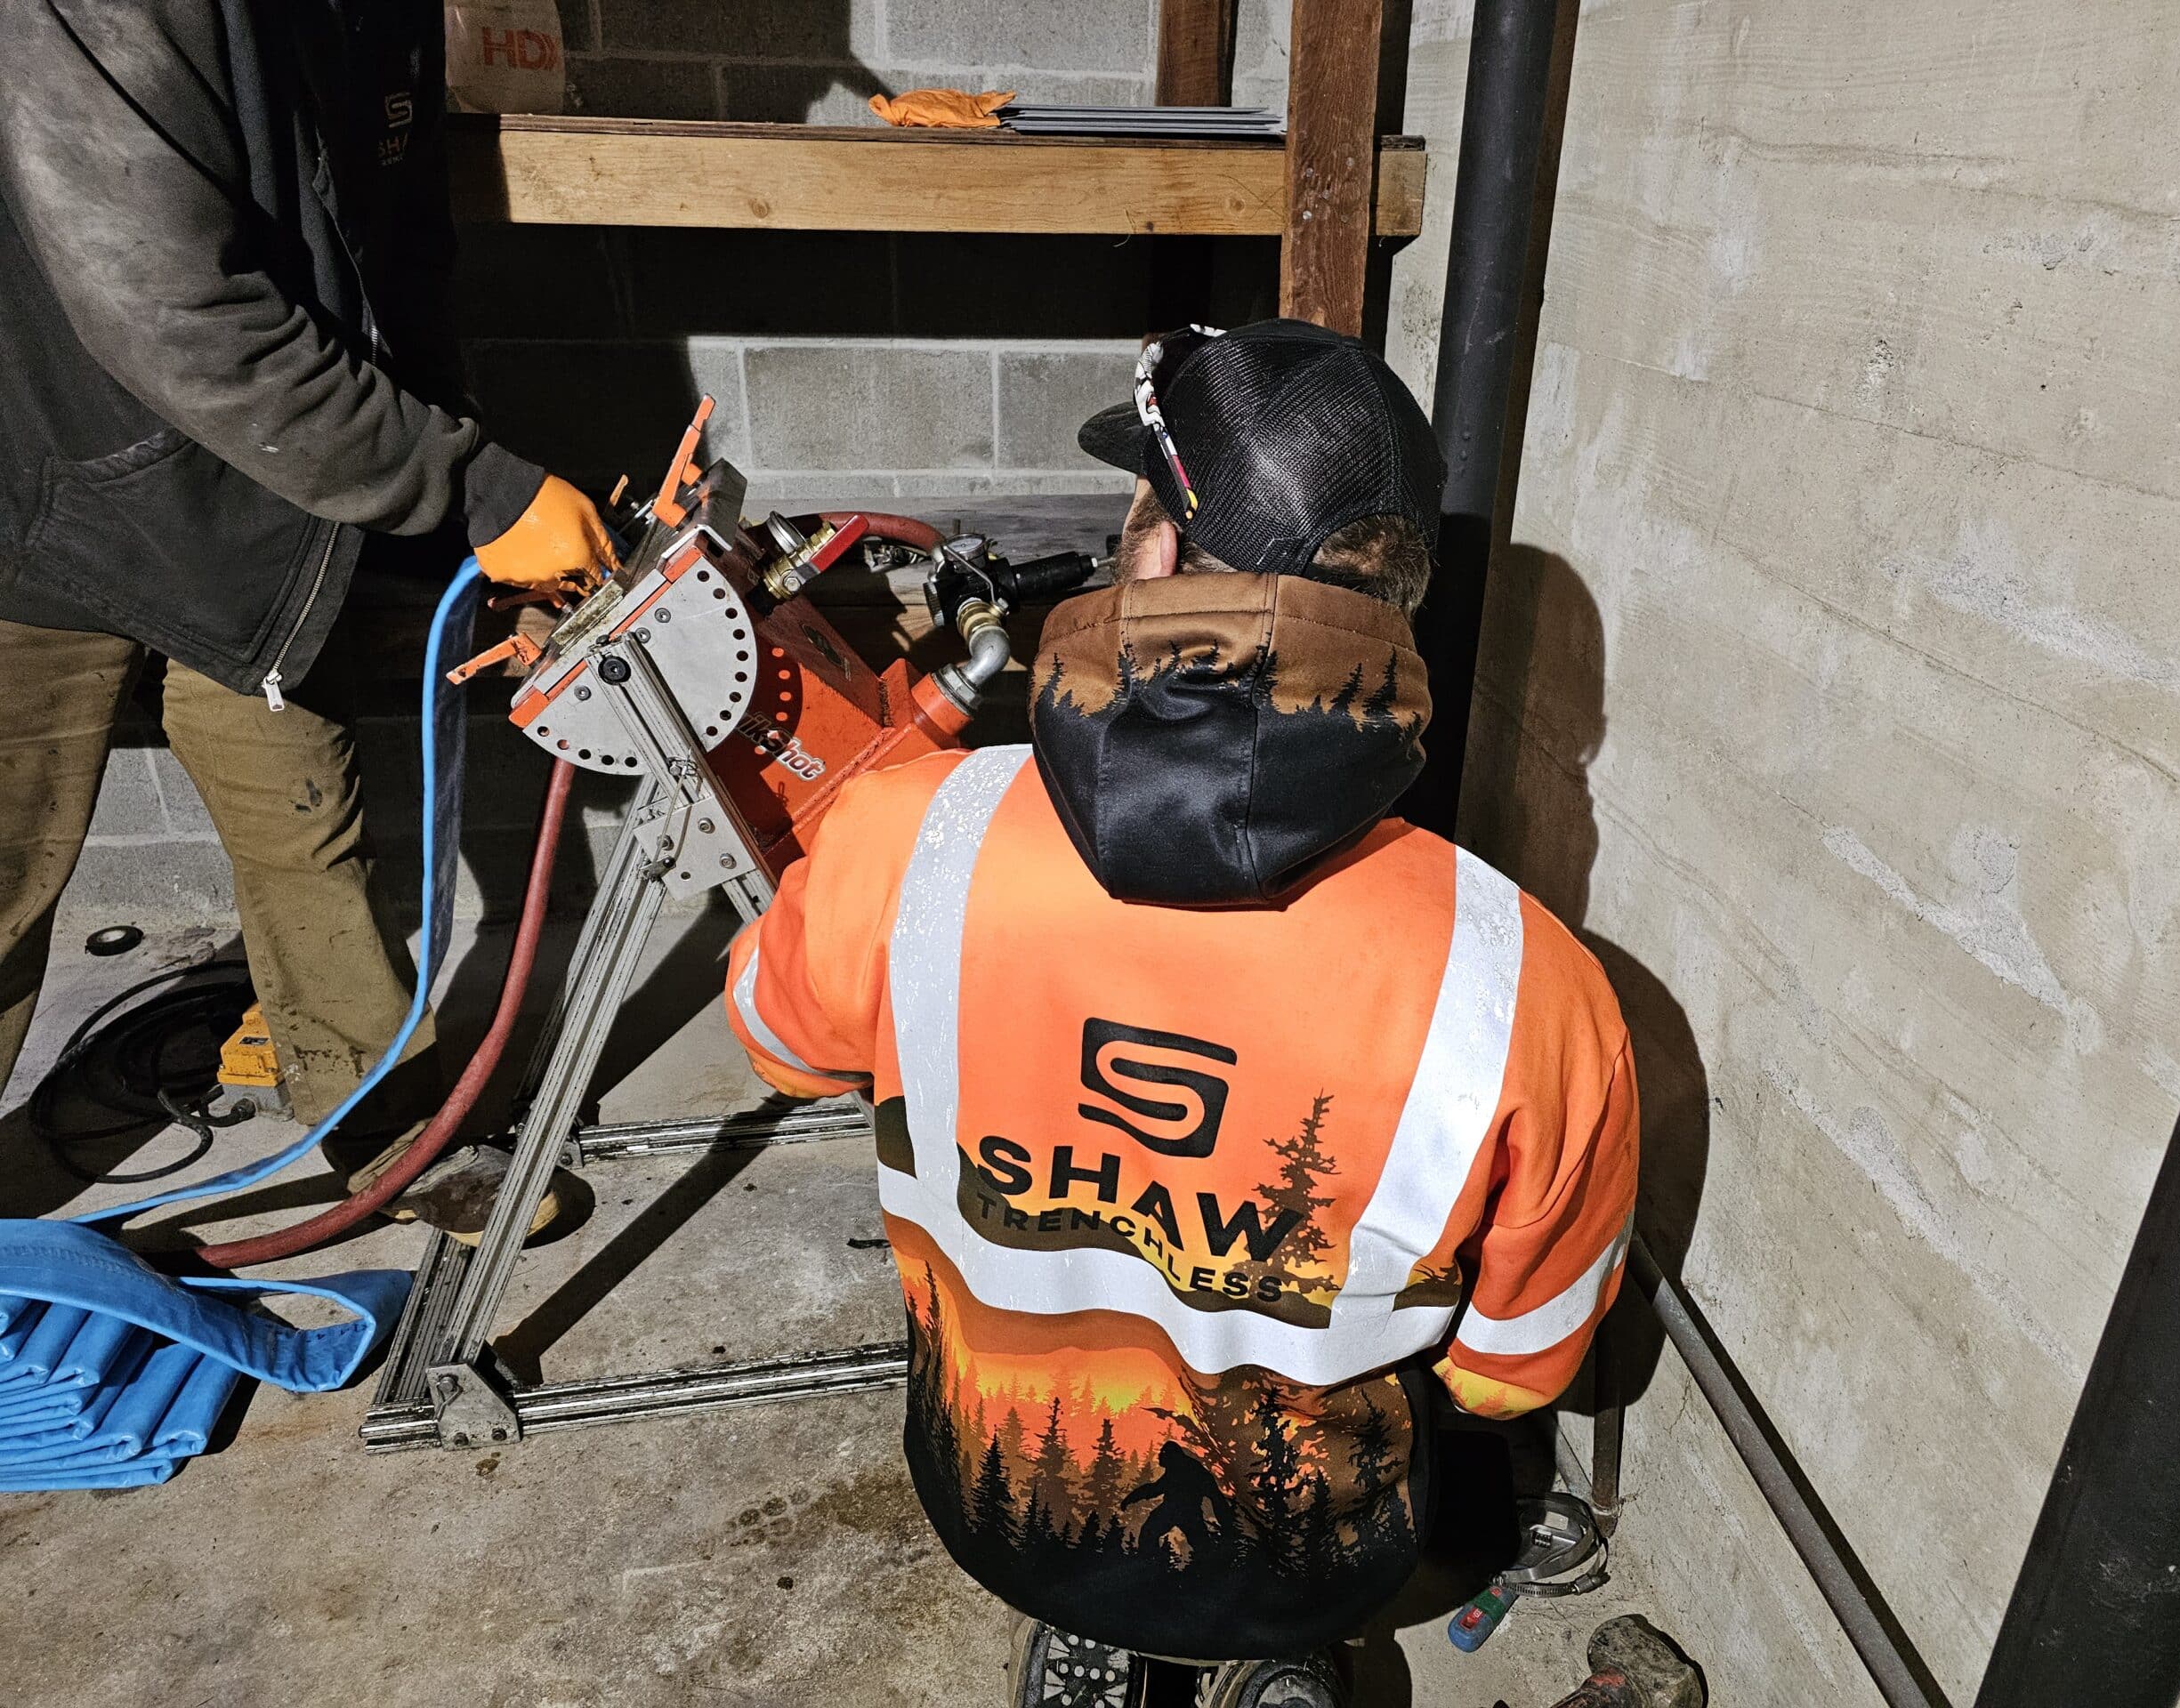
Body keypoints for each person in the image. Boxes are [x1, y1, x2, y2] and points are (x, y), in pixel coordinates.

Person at [723, 320, 1639, 1708]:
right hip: (1324, 1551)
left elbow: (780, 1047)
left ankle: (1105, 1645)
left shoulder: (907, 842)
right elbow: (1519, 1376)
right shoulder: (1532, 987)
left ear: (1154, 557)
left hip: (993, 1498)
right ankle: (1278, 1662)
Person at [0, 0, 614, 1229]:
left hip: (257, 500)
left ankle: (387, 1132)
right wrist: (480, 487)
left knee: (309, 835)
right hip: (44, 485)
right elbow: (172, 310)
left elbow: (402, 260)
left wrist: (458, 506)